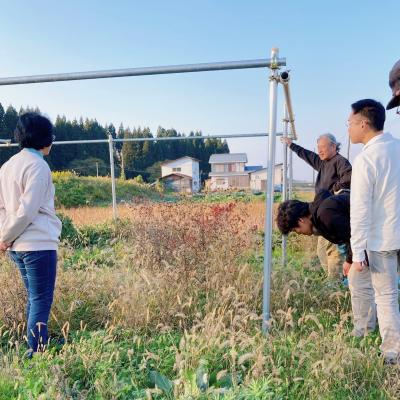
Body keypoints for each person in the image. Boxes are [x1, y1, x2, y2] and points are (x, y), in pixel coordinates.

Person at [0, 112, 62, 356]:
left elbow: (2, 208)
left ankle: (38, 343)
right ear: (45, 140)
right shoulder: (38, 166)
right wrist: (5, 237)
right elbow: (27, 211)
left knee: (35, 298)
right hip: (37, 244)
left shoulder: (7, 166)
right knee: (40, 300)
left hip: (18, 247)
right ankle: (36, 352)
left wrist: (5, 237)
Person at [276, 191, 377, 337]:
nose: (298, 233)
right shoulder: (320, 212)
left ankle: (365, 331)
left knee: (358, 281)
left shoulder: (325, 215)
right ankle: (371, 325)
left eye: (295, 229)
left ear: (301, 220)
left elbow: (354, 235)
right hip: (375, 234)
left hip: (377, 233)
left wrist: (349, 261)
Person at [348, 98, 400, 364]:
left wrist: (358, 252)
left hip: (383, 238)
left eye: (351, 122)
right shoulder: (398, 148)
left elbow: (360, 210)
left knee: (386, 297)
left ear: (364, 124)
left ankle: (392, 353)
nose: (349, 128)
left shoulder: (366, 159)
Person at [281, 134, 352, 280]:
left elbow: (349, 178)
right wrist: (291, 145)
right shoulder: (322, 163)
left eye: (323, 147)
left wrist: (332, 192)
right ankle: (334, 278)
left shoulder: (339, 161)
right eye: (318, 148)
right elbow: (307, 155)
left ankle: (338, 281)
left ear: (333, 146)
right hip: (321, 212)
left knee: (334, 252)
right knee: (321, 251)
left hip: (332, 214)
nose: (319, 151)